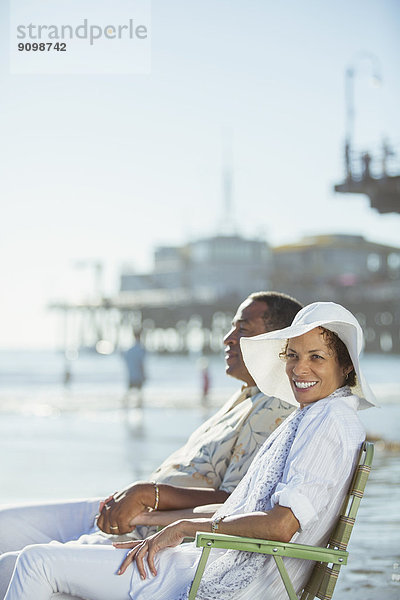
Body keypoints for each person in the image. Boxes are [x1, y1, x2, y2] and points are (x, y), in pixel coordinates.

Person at [2, 302, 377, 600]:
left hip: (225, 575)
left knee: (36, 564)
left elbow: (281, 526)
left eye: (317, 357)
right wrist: (154, 519)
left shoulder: (328, 422)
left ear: (346, 367)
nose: (299, 368)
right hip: (210, 557)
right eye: (292, 355)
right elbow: (243, 506)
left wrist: (185, 527)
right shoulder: (316, 416)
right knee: (15, 566)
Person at [122, 330, 146, 409]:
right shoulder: (140, 349)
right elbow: (141, 363)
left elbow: (125, 360)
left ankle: (125, 406)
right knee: (139, 393)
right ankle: (139, 407)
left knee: (129, 392)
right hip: (138, 375)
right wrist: (144, 374)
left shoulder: (130, 350)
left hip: (131, 374)